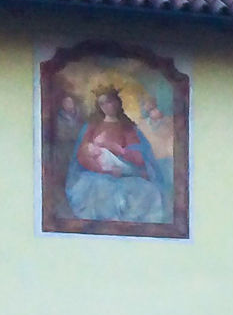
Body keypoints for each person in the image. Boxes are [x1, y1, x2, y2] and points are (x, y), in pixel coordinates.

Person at [64, 85, 167, 222]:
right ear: (99, 106)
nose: (108, 106)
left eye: (110, 101)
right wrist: (103, 170)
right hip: (97, 174)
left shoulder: (128, 127)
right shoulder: (92, 126)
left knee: (147, 191)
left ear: (117, 102)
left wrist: (117, 150)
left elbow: (139, 157)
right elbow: (83, 155)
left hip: (125, 174)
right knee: (99, 190)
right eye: (103, 103)